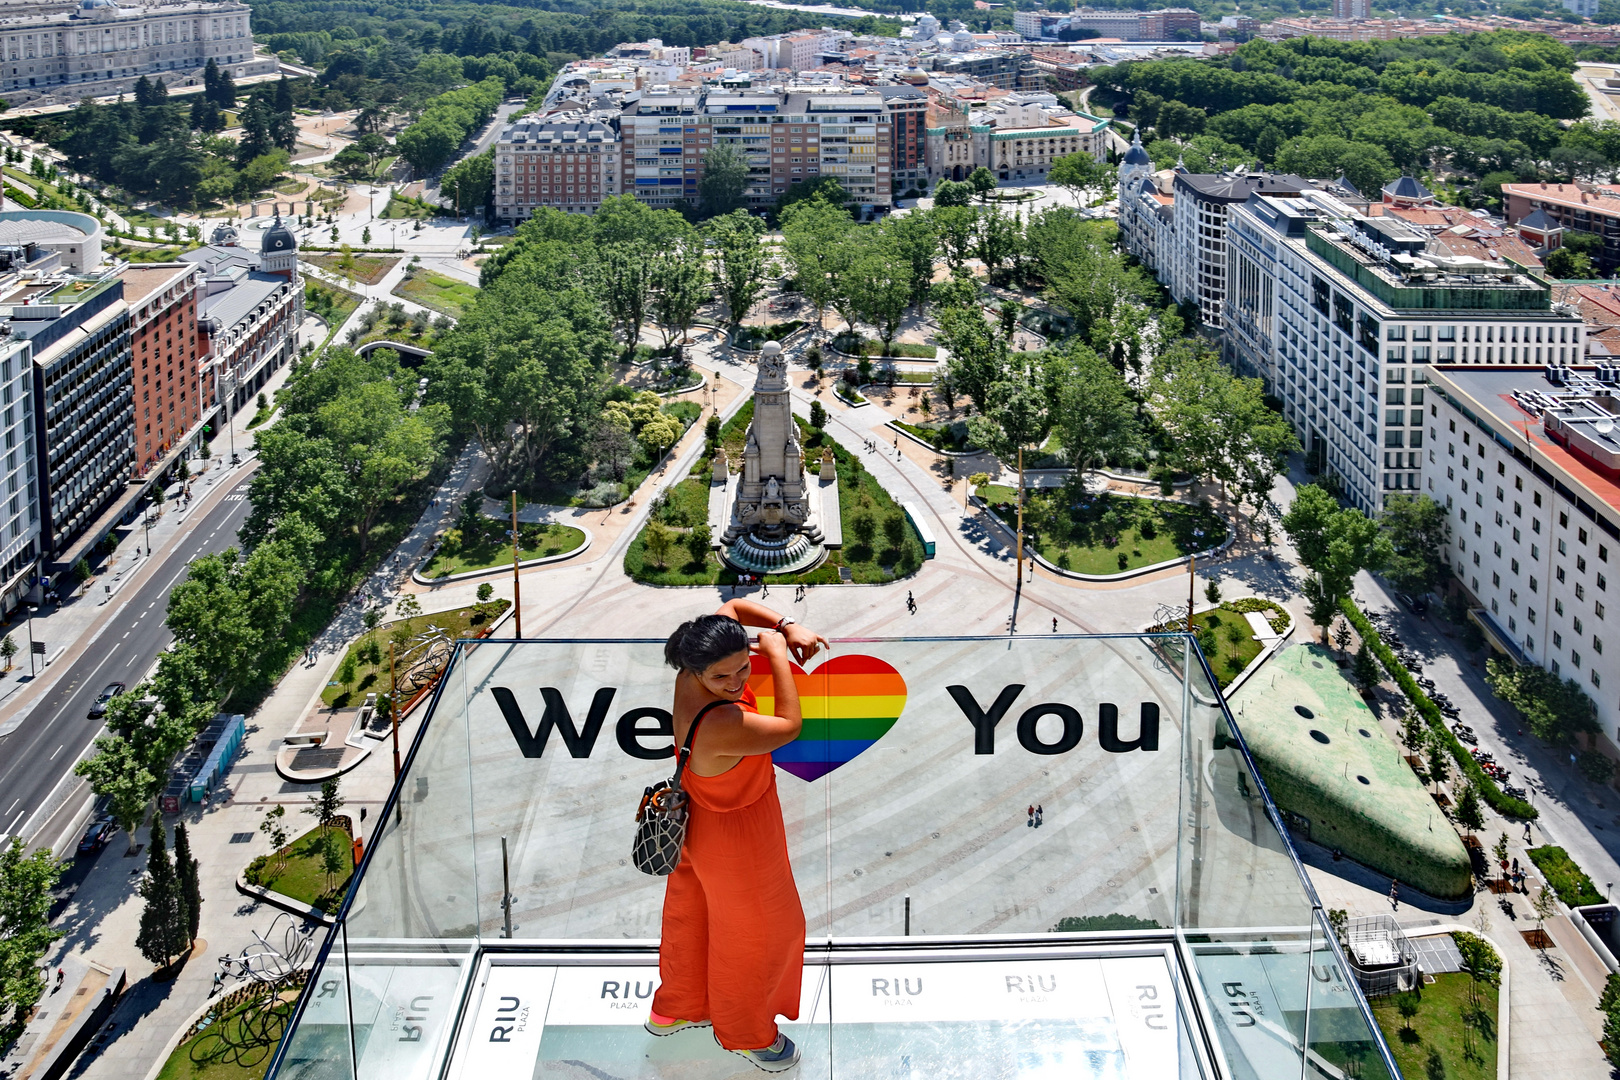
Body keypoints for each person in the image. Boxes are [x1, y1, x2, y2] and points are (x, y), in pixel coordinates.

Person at [648, 601, 826, 1073]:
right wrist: (775, 651)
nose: (737, 682)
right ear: (698, 669)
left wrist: (785, 623)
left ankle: (676, 1008)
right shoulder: (723, 724)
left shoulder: (689, 673)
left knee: (696, 918)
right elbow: (789, 727)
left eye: (742, 669)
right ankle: (746, 1032)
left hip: (700, 823)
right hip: (739, 836)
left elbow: (730, 608)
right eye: (724, 677)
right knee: (761, 935)